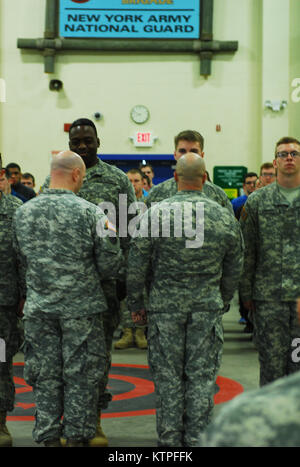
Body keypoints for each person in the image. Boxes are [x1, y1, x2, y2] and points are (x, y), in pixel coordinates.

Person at [127, 153, 244, 447]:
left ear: (176, 178)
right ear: (205, 179)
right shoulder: (223, 216)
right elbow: (234, 267)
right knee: (201, 379)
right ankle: (197, 440)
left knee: (168, 379)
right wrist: (223, 298)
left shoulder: (154, 214)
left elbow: (136, 266)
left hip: (164, 309)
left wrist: (136, 307)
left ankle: (169, 442)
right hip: (206, 307)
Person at [13, 151, 123, 447]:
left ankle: (48, 437)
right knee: (81, 376)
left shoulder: (23, 213)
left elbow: (20, 260)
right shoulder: (92, 213)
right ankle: (77, 437)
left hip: (39, 310)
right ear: (76, 174)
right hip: (81, 311)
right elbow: (111, 265)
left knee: (45, 376)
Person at [41, 118, 136, 446]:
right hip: (62, 289)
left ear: (98, 141)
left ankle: (92, 420)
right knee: (61, 359)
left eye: (88, 140)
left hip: (103, 286)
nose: (82, 146)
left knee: (97, 358)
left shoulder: (117, 180)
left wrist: (124, 277)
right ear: (68, 142)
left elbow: (129, 231)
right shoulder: (53, 178)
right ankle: (65, 421)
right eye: (76, 141)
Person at [198, 296, 300, 447]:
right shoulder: (244, 419)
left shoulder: (240, 422)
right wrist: (245, 294)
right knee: (272, 365)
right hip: (269, 296)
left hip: (268, 295)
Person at [240, 136, 300, 387]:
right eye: (283, 154)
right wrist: (246, 294)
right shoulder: (257, 201)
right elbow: (248, 251)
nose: (289, 158)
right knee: (271, 369)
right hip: (268, 301)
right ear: (275, 162)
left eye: (294, 154)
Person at [145, 130, 234, 215]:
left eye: (194, 151)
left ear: (202, 155)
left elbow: (230, 228)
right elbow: (143, 227)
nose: (188, 155)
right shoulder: (157, 193)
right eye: (182, 151)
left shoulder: (218, 195)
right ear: (175, 155)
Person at [0, 157, 24, 447]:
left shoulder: (16, 212)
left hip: (3, 306)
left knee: (1, 364)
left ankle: (0, 423)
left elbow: (25, 259)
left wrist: (24, 294)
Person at [114, 168, 148, 350]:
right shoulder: (120, 205)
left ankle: (141, 332)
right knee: (126, 294)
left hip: (145, 256)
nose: (133, 184)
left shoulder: (149, 203)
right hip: (126, 255)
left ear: (143, 183)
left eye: (136, 181)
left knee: (144, 294)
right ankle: (127, 332)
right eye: (130, 181)